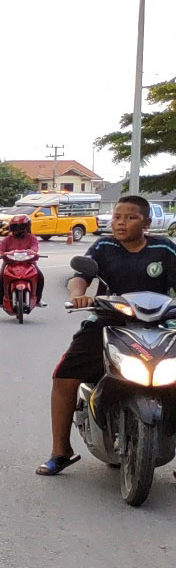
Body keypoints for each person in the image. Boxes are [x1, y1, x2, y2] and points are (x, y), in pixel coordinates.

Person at [39, 194, 176, 475]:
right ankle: (61, 451)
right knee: (64, 375)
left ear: (146, 222)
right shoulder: (103, 246)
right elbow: (80, 277)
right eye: (117, 217)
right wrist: (78, 296)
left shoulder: (164, 249)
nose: (121, 223)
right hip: (106, 322)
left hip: (158, 325)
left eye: (130, 217)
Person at [0, 213, 46, 310]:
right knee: (1, 278)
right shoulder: (7, 239)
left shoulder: (32, 238)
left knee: (40, 276)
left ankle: (38, 299)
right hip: (9, 263)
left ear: (27, 227)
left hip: (29, 263)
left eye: (21, 227)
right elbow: (0, 249)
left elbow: (35, 247)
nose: (18, 230)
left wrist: (32, 251)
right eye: (15, 227)